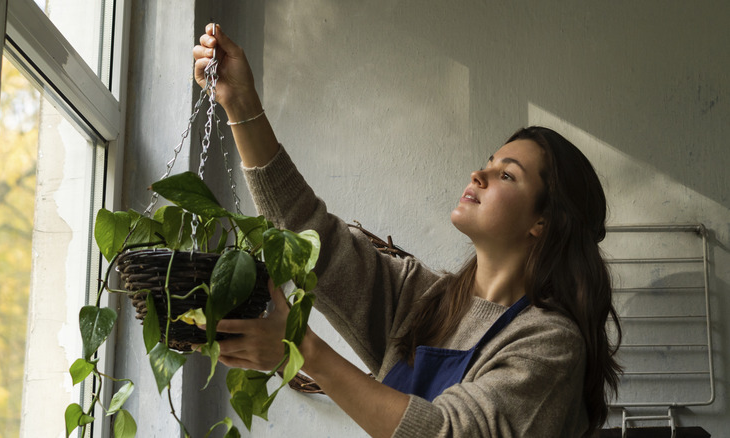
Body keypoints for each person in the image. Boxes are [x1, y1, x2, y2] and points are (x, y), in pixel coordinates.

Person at [193, 24, 621, 438]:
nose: (479, 173)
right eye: (488, 162)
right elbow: (309, 233)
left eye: (507, 175)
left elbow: (450, 433)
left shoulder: (550, 343)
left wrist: (303, 350)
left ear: (541, 222)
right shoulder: (424, 300)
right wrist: (240, 103)